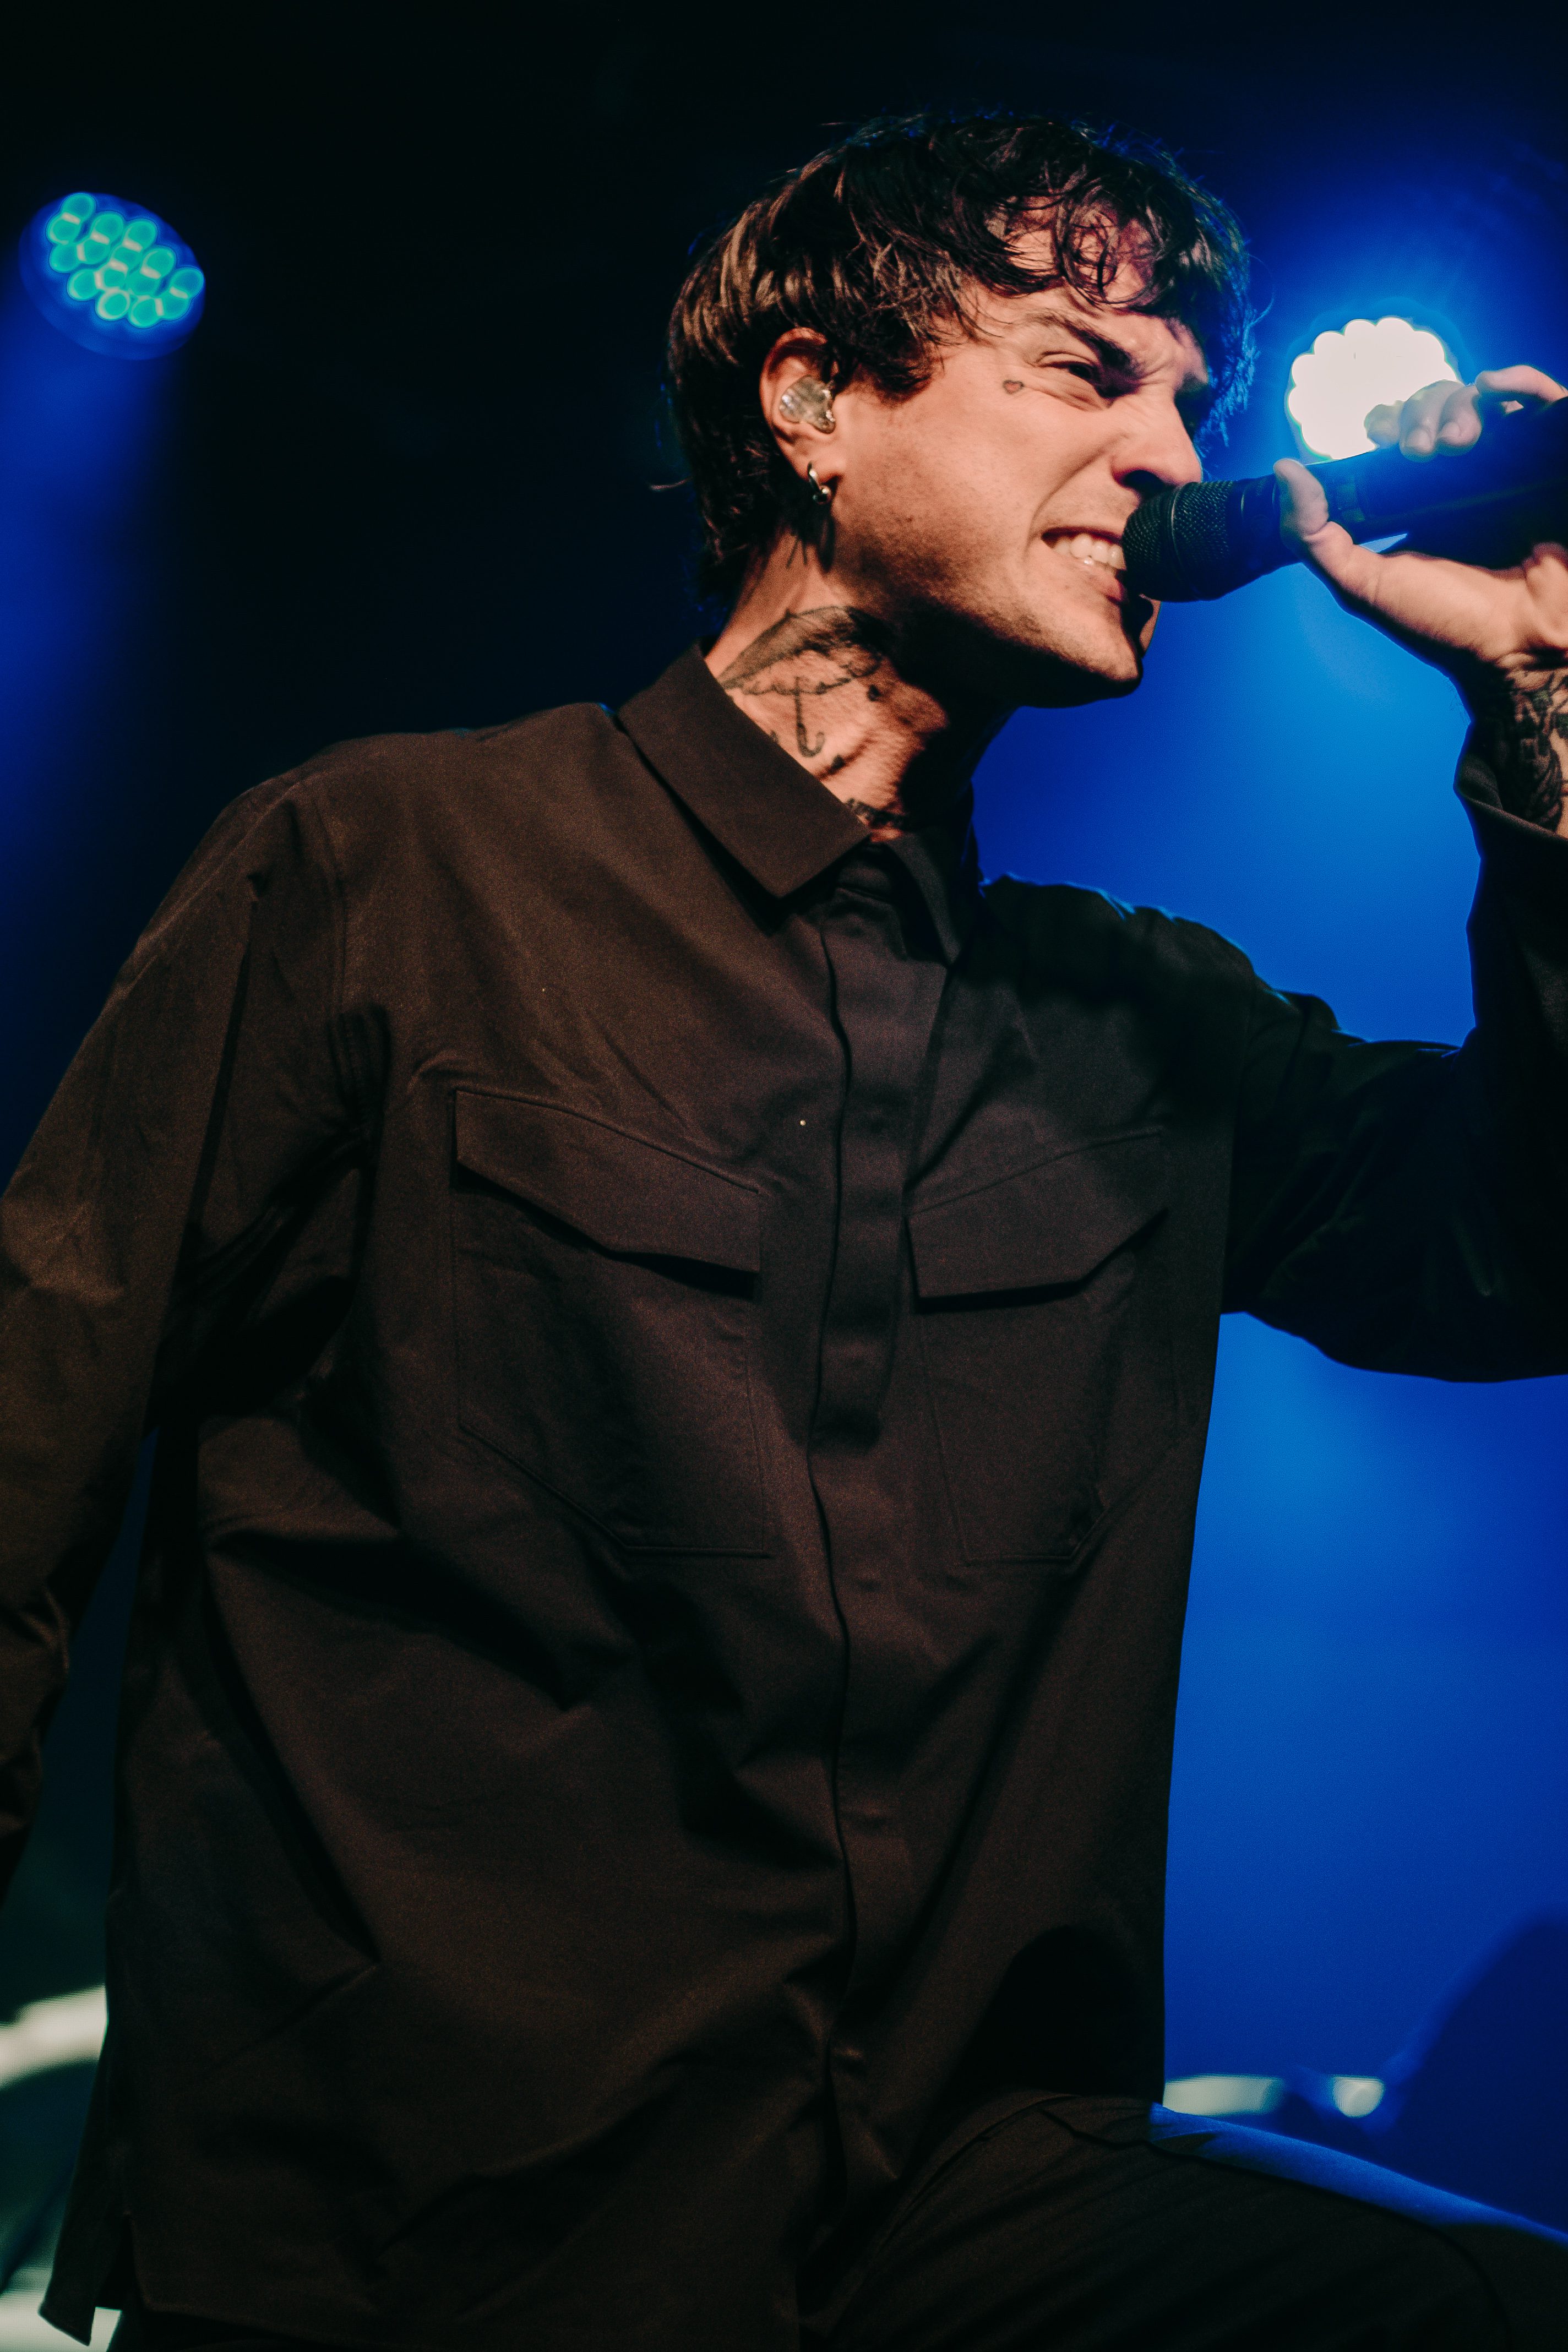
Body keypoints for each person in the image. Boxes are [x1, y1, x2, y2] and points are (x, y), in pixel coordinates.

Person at [2, 108, 1566, 2352]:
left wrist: (1542, 701)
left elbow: (1525, 1255)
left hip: (950, 2207)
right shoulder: (382, 874)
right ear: (815, 398)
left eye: (1187, 400)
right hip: (415, 2222)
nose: (1165, 449)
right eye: (1085, 368)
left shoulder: (1150, 1027)